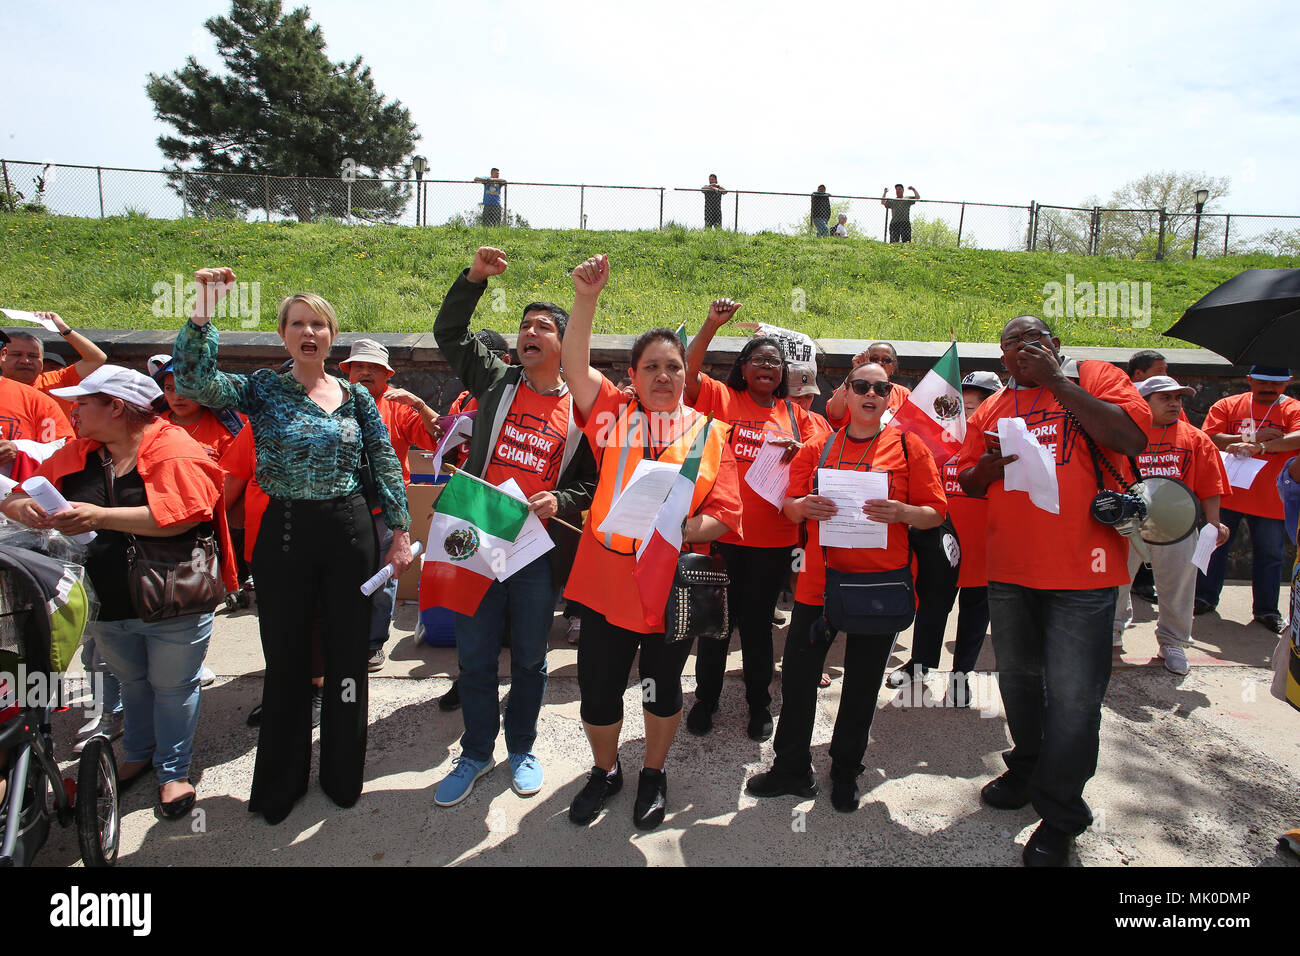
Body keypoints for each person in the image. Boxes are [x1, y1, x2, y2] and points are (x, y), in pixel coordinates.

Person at [172, 267, 413, 826]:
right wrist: (202, 313)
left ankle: (342, 774)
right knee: (286, 660)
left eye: (319, 325)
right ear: (283, 334)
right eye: (298, 324)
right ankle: (281, 782)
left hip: (350, 533)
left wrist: (399, 532)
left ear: (333, 336)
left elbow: (383, 465)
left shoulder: (356, 397)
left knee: (349, 658)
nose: (309, 333)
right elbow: (193, 381)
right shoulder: (263, 388)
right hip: (283, 536)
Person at [0, 365, 238, 820]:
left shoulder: (176, 449)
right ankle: (139, 754)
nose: (74, 411)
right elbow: (12, 495)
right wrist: (25, 508)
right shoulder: (79, 452)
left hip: (173, 599)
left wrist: (99, 516)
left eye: (83, 402)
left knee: (173, 687)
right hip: (107, 601)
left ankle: (173, 773)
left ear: (116, 406)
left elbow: (186, 515)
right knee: (133, 682)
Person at [956, 314, 1149, 866]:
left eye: (1032, 340)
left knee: (1073, 701)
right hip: (1011, 571)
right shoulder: (993, 407)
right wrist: (989, 469)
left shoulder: (1096, 377)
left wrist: (1059, 382)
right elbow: (967, 481)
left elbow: (1129, 437)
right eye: (1010, 342)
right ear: (1001, 355)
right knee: (1018, 685)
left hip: (1082, 577)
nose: (1021, 348)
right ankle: (1027, 769)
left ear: (1055, 346)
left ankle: (1061, 815)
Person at [561, 253, 742, 830]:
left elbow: (727, 512)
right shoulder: (613, 414)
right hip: (607, 582)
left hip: (670, 587)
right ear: (633, 376)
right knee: (598, 692)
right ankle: (606, 770)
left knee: (662, 690)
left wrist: (689, 528)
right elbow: (573, 369)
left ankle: (654, 772)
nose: (664, 375)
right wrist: (585, 299)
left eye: (673, 366)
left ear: (686, 376)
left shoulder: (712, 433)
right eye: (652, 366)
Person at [429, 246, 598, 807]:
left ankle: (522, 747)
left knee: (529, 656)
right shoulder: (498, 380)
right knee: (474, 656)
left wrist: (563, 500)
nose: (528, 332)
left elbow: (594, 483)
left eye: (543, 327)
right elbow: (450, 332)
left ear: (563, 344)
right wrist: (474, 277)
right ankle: (476, 751)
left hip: (533, 550)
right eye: (524, 325)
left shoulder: (582, 408)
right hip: (477, 533)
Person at [745, 360, 946, 810]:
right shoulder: (819, 444)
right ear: (847, 393)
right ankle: (791, 768)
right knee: (797, 681)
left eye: (881, 387)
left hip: (879, 583)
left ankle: (845, 770)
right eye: (861, 385)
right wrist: (805, 506)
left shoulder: (909, 446)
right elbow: (789, 506)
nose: (870, 393)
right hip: (819, 584)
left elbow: (936, 512)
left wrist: (902, 512)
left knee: (862, 683)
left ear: (890, 396)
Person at [682, 298, 818, 741]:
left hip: (774, 542)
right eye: (759, 359)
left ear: (785, 375)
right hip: (721, 536)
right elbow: (688, 372)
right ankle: (706, 700)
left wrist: (805, 458)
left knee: (758, 627)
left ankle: (759, 703)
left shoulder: (798, 418)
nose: (768, 367)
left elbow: (831, 460)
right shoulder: (723, 398)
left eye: (776, 363)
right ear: (743, 367)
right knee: (715, 625)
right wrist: (709, 327)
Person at [888, 369, 1002, 704]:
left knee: (976, 611)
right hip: (938, 542)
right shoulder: (936, 439)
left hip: (984, 544)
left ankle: (962, 676)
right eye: (962, 404)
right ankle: (919, 666)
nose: (967, 412)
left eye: (976, 405)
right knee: (932, 608)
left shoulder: (999, 444)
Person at [1112, 376, 1231, 675]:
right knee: (1115, 582)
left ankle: (1173, 641)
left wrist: (1214, 522)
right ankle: (1111, 630)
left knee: (1178, 586)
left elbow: (1210, 483)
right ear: (1143, 402)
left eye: (1178, 397)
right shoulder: (1123, 436)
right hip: (1129, 526)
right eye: (1165, 398)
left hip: (1177, 528)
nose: (1175, 403)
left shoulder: (1195, 438)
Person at [339, 338, 442, 671]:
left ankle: (372, 643)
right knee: (337, 577)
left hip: (386, 512)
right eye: (359, 366)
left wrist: (418, 404)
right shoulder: (331, 399)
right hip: (339, 508)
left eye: (374, 368)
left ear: (387, 375)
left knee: (384, 579)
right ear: (348, 371)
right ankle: (339, 638)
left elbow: (439, 437)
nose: (365, 373)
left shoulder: (398, 404)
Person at [1195, 366, 1300, 633]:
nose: (1269, 388)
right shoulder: (1228, 404)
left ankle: (1266, 610)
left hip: (1270, 497)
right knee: (1214, 545)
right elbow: (1209, 437)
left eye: (1276, 384)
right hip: (1228, 491)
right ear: (1249, 379)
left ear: (1288, 382)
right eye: (1262, 382)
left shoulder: (1293, 409)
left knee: (1270, 555)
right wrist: (1250, 438)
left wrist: (1261, 447)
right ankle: (1203, 598)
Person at [0, 313, 107, 418]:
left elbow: (96, 358)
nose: (26, 361)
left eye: (33, 356)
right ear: (3, 355)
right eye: (16, 355)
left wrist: (63, 329)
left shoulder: (59, 381)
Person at [824, 342, 911, 429]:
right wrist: (856, 371)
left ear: (894, 366)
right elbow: (834, 414)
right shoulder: (854, 389)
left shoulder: (903, 394)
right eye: (874, 359)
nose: (880, 363)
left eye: (886, 360)